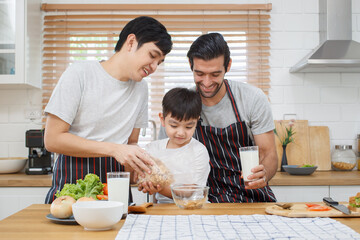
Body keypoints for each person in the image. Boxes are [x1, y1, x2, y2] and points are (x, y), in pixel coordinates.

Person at [44, 16, 172, 204]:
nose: (154, 67)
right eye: (152, 56)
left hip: (116, 190)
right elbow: (52, 139)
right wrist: (114, 149)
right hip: (72, 186)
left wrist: (143, 174)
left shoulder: (141, 89)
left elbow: (131, 144)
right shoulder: (80, 73)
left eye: (159, 63)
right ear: (130, 42)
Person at [159, 33, 277, 203]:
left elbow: (268, 153)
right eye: (199, 73)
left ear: (227, 66)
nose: (206, 83)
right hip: (204, 200)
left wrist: (263, 173)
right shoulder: (181, 105)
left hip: (251, 196)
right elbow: (166, 159)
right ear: (190, 66)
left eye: (215, 74)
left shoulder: (252, 98)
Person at [138, 88, 210, 203]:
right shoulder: (152, 149)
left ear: (196, 122)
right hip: (163, 210)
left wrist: (160, 188)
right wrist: (145, 183)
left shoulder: (198, 151)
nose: (181, 133)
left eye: (188, 127)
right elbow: (143, 177)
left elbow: (193, 192)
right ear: (162, 119)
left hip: (194, 208)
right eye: (174, 125)